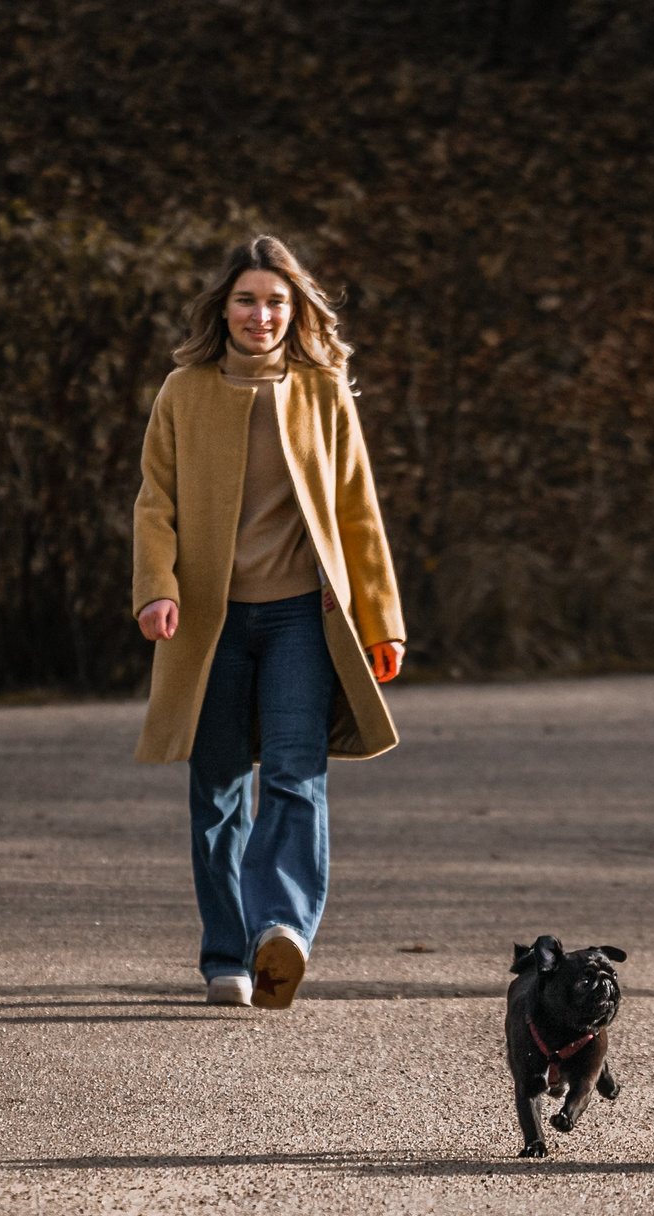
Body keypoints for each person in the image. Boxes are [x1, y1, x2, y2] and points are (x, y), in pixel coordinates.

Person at [130, 236, 407, 1010]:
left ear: (297, 310)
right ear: (223, 307)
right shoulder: (183, 391)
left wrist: (381, 619)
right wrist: (155, 588)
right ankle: (228, 954)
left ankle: (280, 928)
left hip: (300, 619)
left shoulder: (322, 389)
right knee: (217, 789)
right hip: (209, 622)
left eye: (277, 301)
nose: (263, 314)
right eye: (248, 299)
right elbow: (156, 502)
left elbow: (358, 507)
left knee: (295, 774)